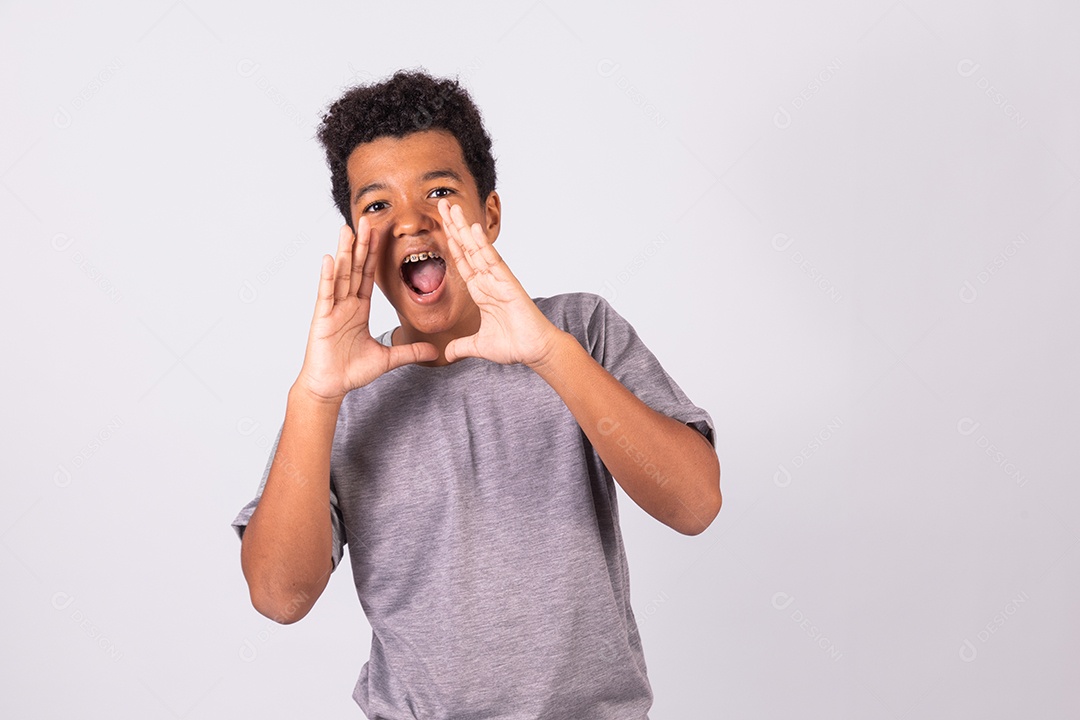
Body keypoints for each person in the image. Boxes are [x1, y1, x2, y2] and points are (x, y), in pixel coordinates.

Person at [231, 68, 721, 719]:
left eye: (439, 191)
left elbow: (694, 504)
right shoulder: (342, 399)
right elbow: (277, 595)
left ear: (488, 214)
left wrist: (550, 354)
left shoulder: (580, 331)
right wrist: (314, 397)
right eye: (377, 205)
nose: (409, 221)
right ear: (356, 241)